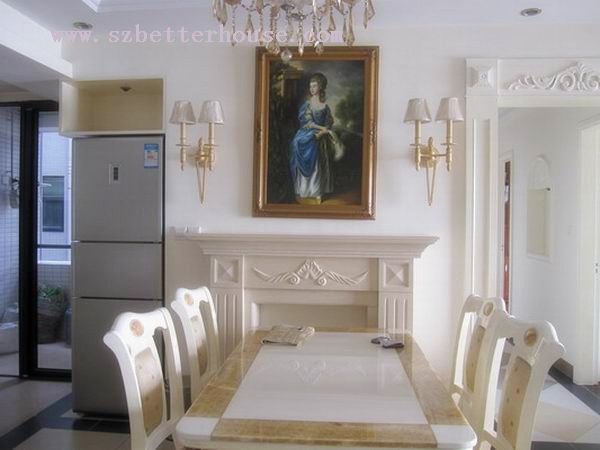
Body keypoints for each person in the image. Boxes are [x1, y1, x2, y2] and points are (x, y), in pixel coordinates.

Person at [289, 73, 343, 204]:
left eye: (314, 86)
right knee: (299, 142)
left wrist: (324, 131)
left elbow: (329, 122)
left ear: (320, 87)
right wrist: (323, 129)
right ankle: (305, 191)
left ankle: (317, 192)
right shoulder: (307, 104)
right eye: (310, 86)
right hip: (307, 133)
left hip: (321, 135)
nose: (311, 89)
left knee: (319, 158)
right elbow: (308, 122)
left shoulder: (325, 106)